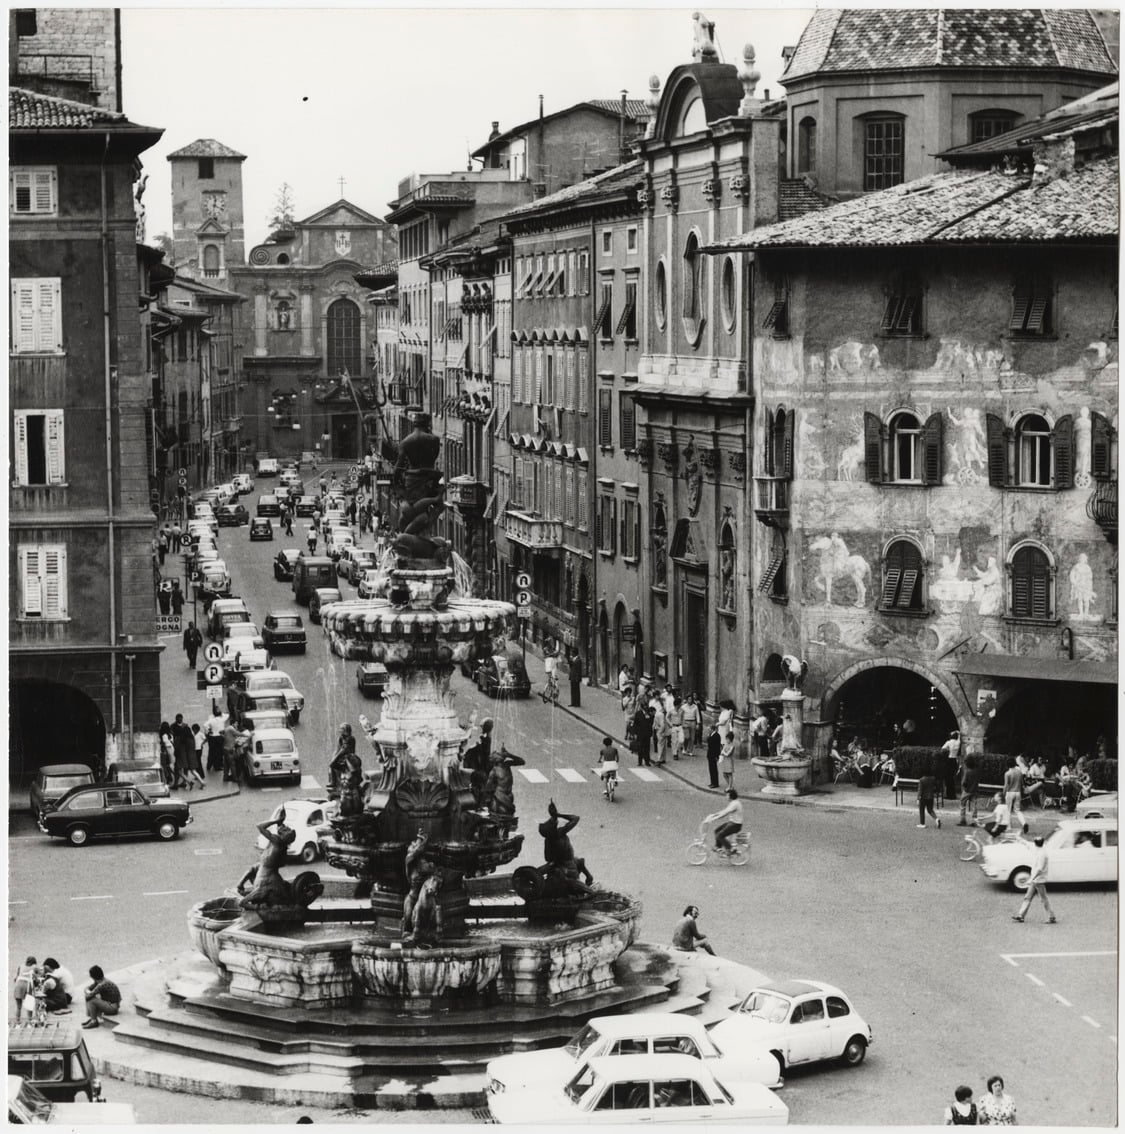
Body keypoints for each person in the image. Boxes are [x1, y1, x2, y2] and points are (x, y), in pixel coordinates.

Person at [1013, 836, 1056, 923]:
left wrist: (1031, 878)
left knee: (1043, 899)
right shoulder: (1038, 849)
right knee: (1027, 897)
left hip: (1039, 880)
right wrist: (1019, 839)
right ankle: (1021, 915)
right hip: (1034, 880)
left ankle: (1051, 916)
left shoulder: (1042, 855)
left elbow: (1040, 869)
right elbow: (1027, 844)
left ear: (1036, 843)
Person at [705, 789, 743, 854]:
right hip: (732, 823)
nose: (726, 796)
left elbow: (725, 813)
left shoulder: (735, 804)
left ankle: (731, 849)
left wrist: (714, 819)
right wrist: (714, 815)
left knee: (720, 835)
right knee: (716, 830)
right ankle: (718, 847)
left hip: (735, 825)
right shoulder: (733, 802)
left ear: (731, 796)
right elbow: (724, 811)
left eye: (727, 795)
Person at [1003, 757, 1029, 835]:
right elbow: (1021, 784)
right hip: (1018, 792)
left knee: (1008, 811)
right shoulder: (1019, 772)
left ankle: (1008, 827)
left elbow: (1006, 786)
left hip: (1010, 792)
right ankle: (1024, 823)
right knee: (1017, 810)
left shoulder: (1007, 773)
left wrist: (1003, 794)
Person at [171, 713, 195, 789]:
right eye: (178, 718)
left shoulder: (184, 727)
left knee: (178, 768)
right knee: (182, 768)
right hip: (183, 752)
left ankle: (182, 782)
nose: (179, 719)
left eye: (180, 718)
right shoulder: (174, 726)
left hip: (181, 751)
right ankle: (181, 782)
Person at [959, 753, 980, 826]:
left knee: (962, 805)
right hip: (974, 790)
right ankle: (974, 821)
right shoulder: (977, 770)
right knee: (974, 806)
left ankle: (963, 820)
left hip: (967, 790)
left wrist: (964, 788)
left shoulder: (967, 771)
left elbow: (964, 782)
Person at [202, 705, 226, 772]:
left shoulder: (211, 718)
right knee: (219, 752)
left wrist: (208, 731)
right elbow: (226, 715)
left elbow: (205, 725)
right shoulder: (222, 719)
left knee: (212, 751)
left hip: (212, 737)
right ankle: (217, 765)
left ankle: (209, 765)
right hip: (219, 736)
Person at [630, 703, 653, 767]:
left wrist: (651, 733)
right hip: (640, 734)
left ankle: (647, 761)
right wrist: (634, 733)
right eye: (645, 707)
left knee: (647, 748)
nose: (646, 708)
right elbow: (635, 724)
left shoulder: (649, 713)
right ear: (642, 707)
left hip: (647, 734)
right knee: (640, 748)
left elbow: (651, 723)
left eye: (646, 707)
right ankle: (640, 762)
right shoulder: (638, 713)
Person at [941, 730, 962, 800]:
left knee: (948, 778)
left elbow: (942, 749)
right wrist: (958, 733)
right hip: (954, 760)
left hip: (949, 760)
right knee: (952, 779)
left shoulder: (949, 742)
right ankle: (952, 795)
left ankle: (949, 794)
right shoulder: (958, 742)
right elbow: (959, 737)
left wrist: (948, 750)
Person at [705, 723, 722, 789]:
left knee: (714, 769)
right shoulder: (712, 735)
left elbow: (716, 747)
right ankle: (712, 782)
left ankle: (715, 783)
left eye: (709, 729)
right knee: (711, 769)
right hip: (710, 754)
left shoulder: (716, 736)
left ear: (712, 729)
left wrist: (716, 756)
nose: (708, 730)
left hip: (713, 755)